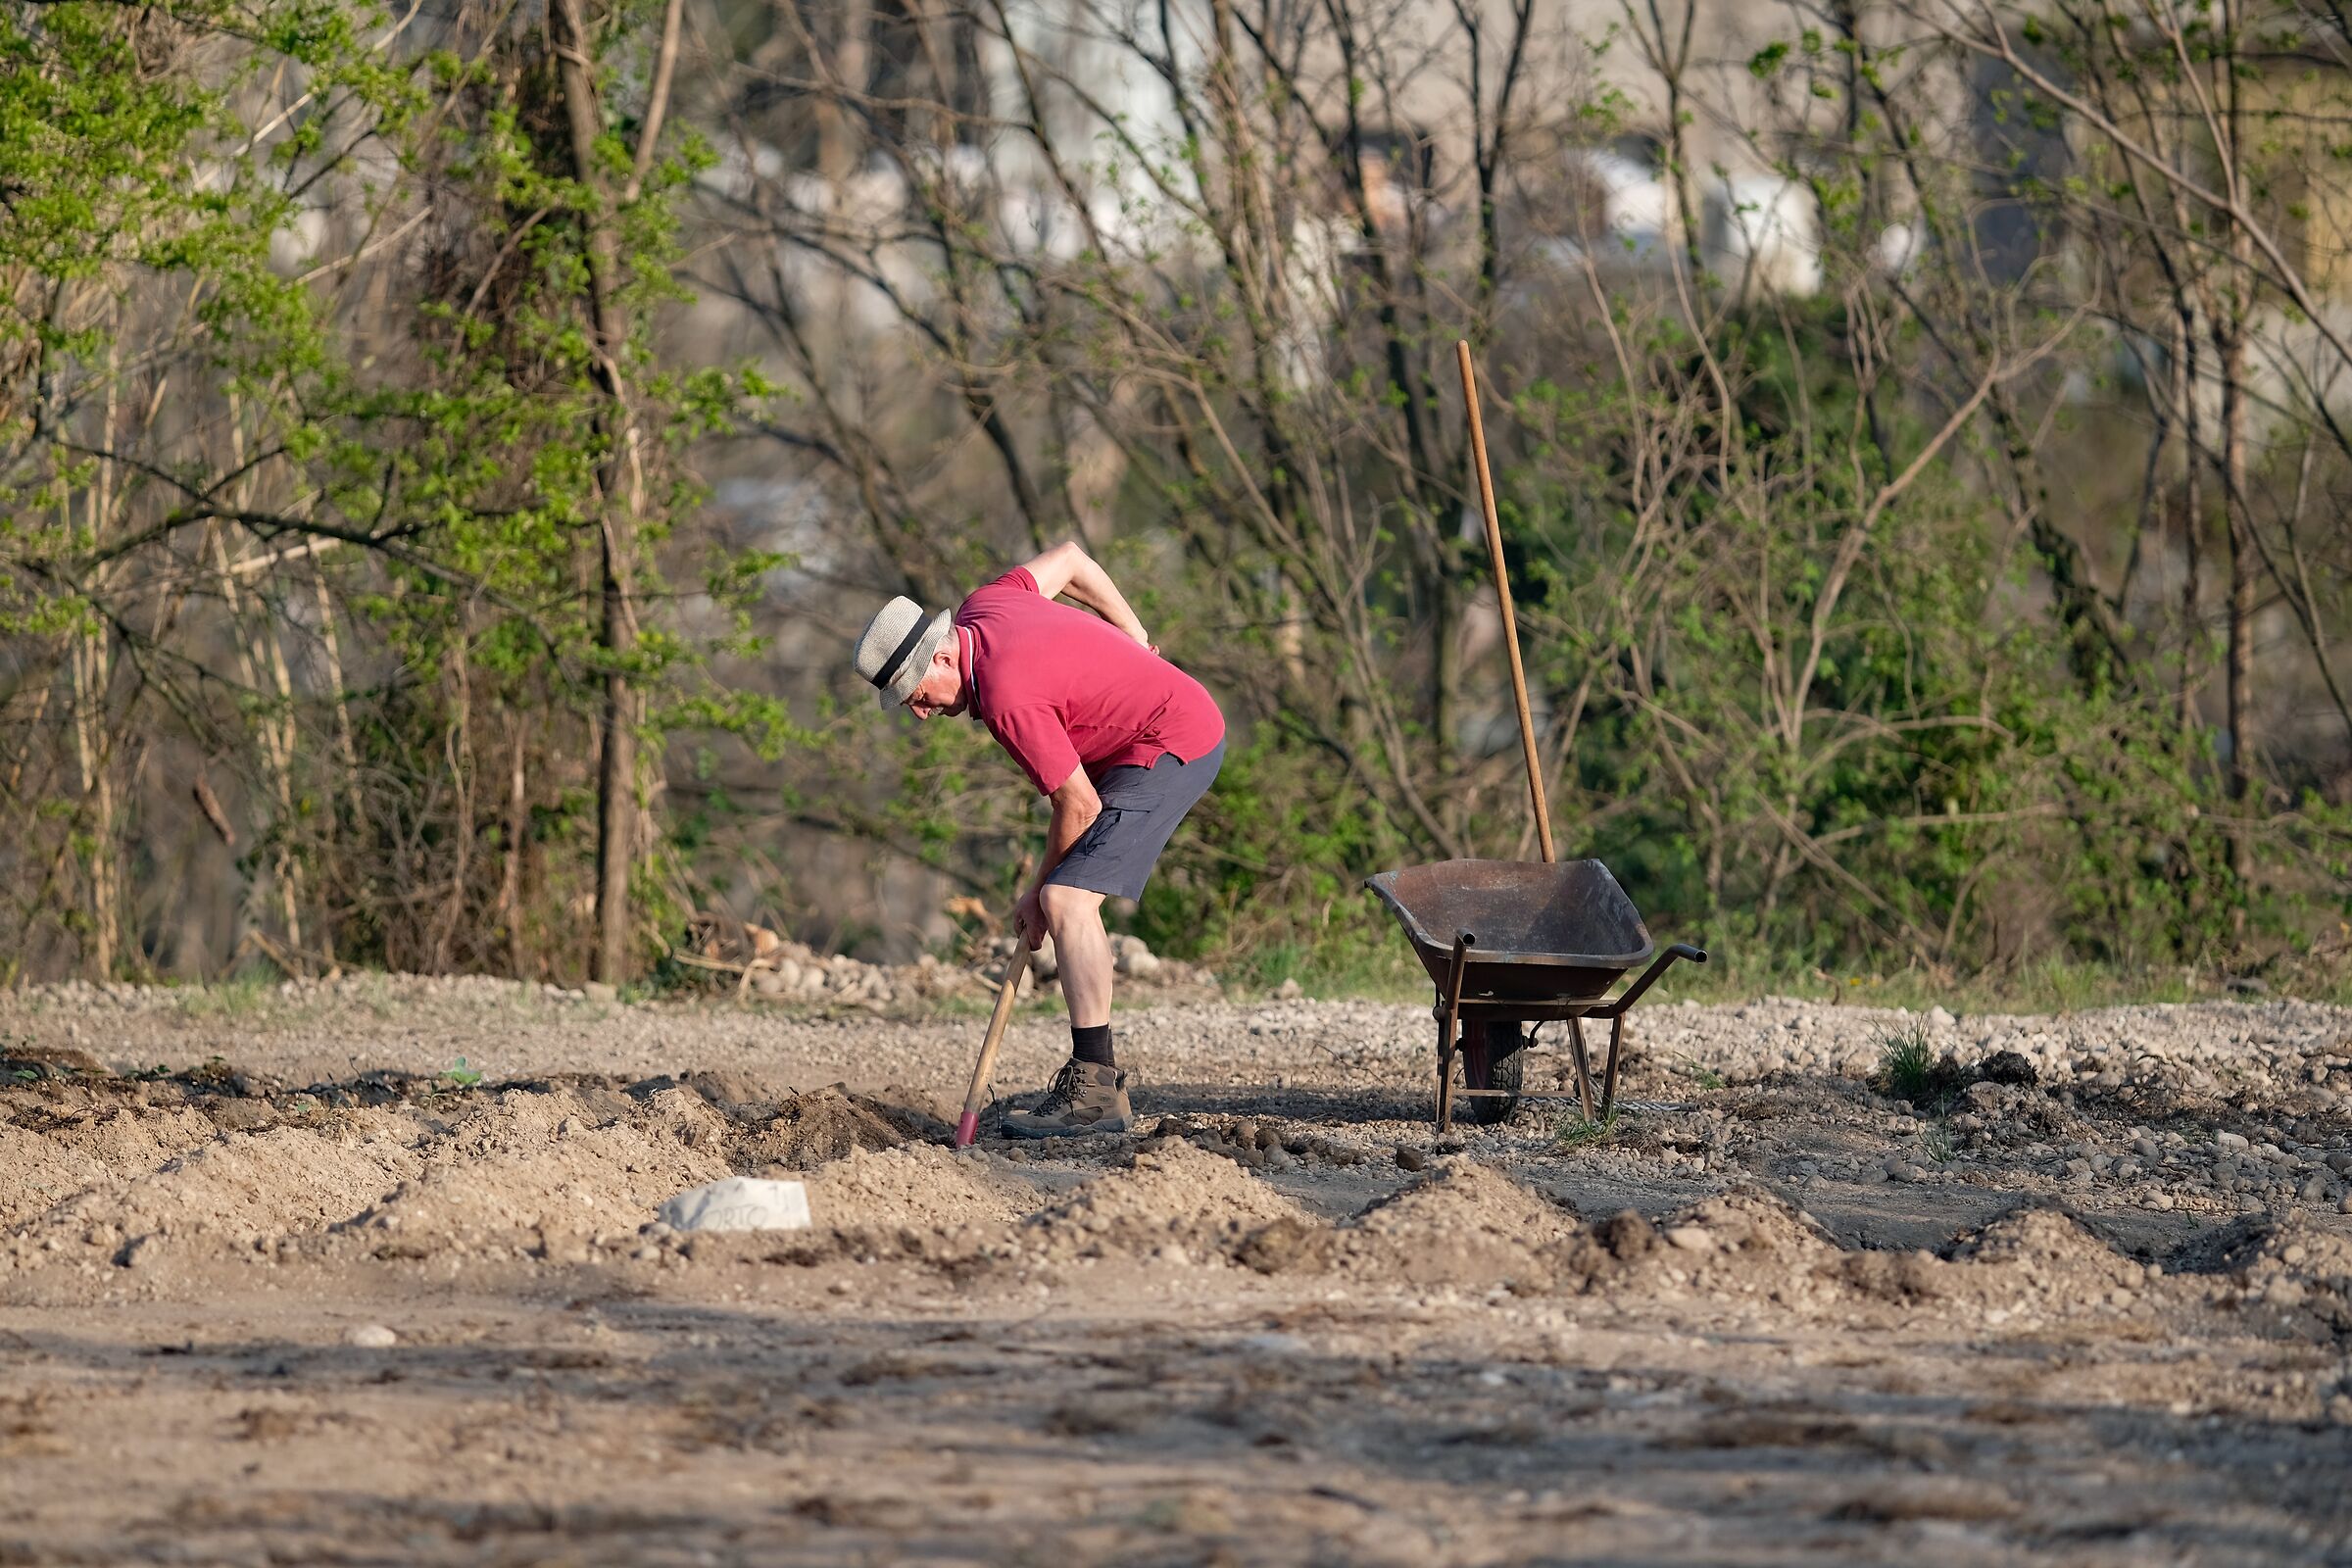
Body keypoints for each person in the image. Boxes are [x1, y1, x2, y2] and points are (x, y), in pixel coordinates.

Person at [852, 542, 1225, 1138]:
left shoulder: (1005, 697)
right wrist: (1133, 632)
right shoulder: (987, 603)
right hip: (1144, 736)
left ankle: (1096, 1094)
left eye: (916, 696)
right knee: (1064, 894)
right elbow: (1074, 560)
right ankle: (1095, 1079)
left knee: (1066, 900)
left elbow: (1078, 803)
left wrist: (1038, 890)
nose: (920, 715)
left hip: (1174, 743)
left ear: (942, 659)